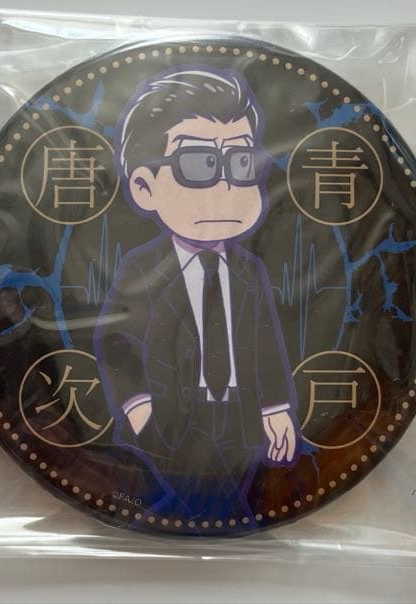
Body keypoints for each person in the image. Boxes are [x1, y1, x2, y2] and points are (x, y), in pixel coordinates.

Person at [94, 66, 299, 523]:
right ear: (144, 187)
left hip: (240, 418)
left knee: (228, 506)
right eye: (199, 164)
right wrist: (140, 409)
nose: (226, 186)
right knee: (196, 505)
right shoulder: (141, 270)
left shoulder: (250, 271)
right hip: (171, 420)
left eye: (241, 163)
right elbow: (115, 339)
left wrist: (276, 408)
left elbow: (266, 344)